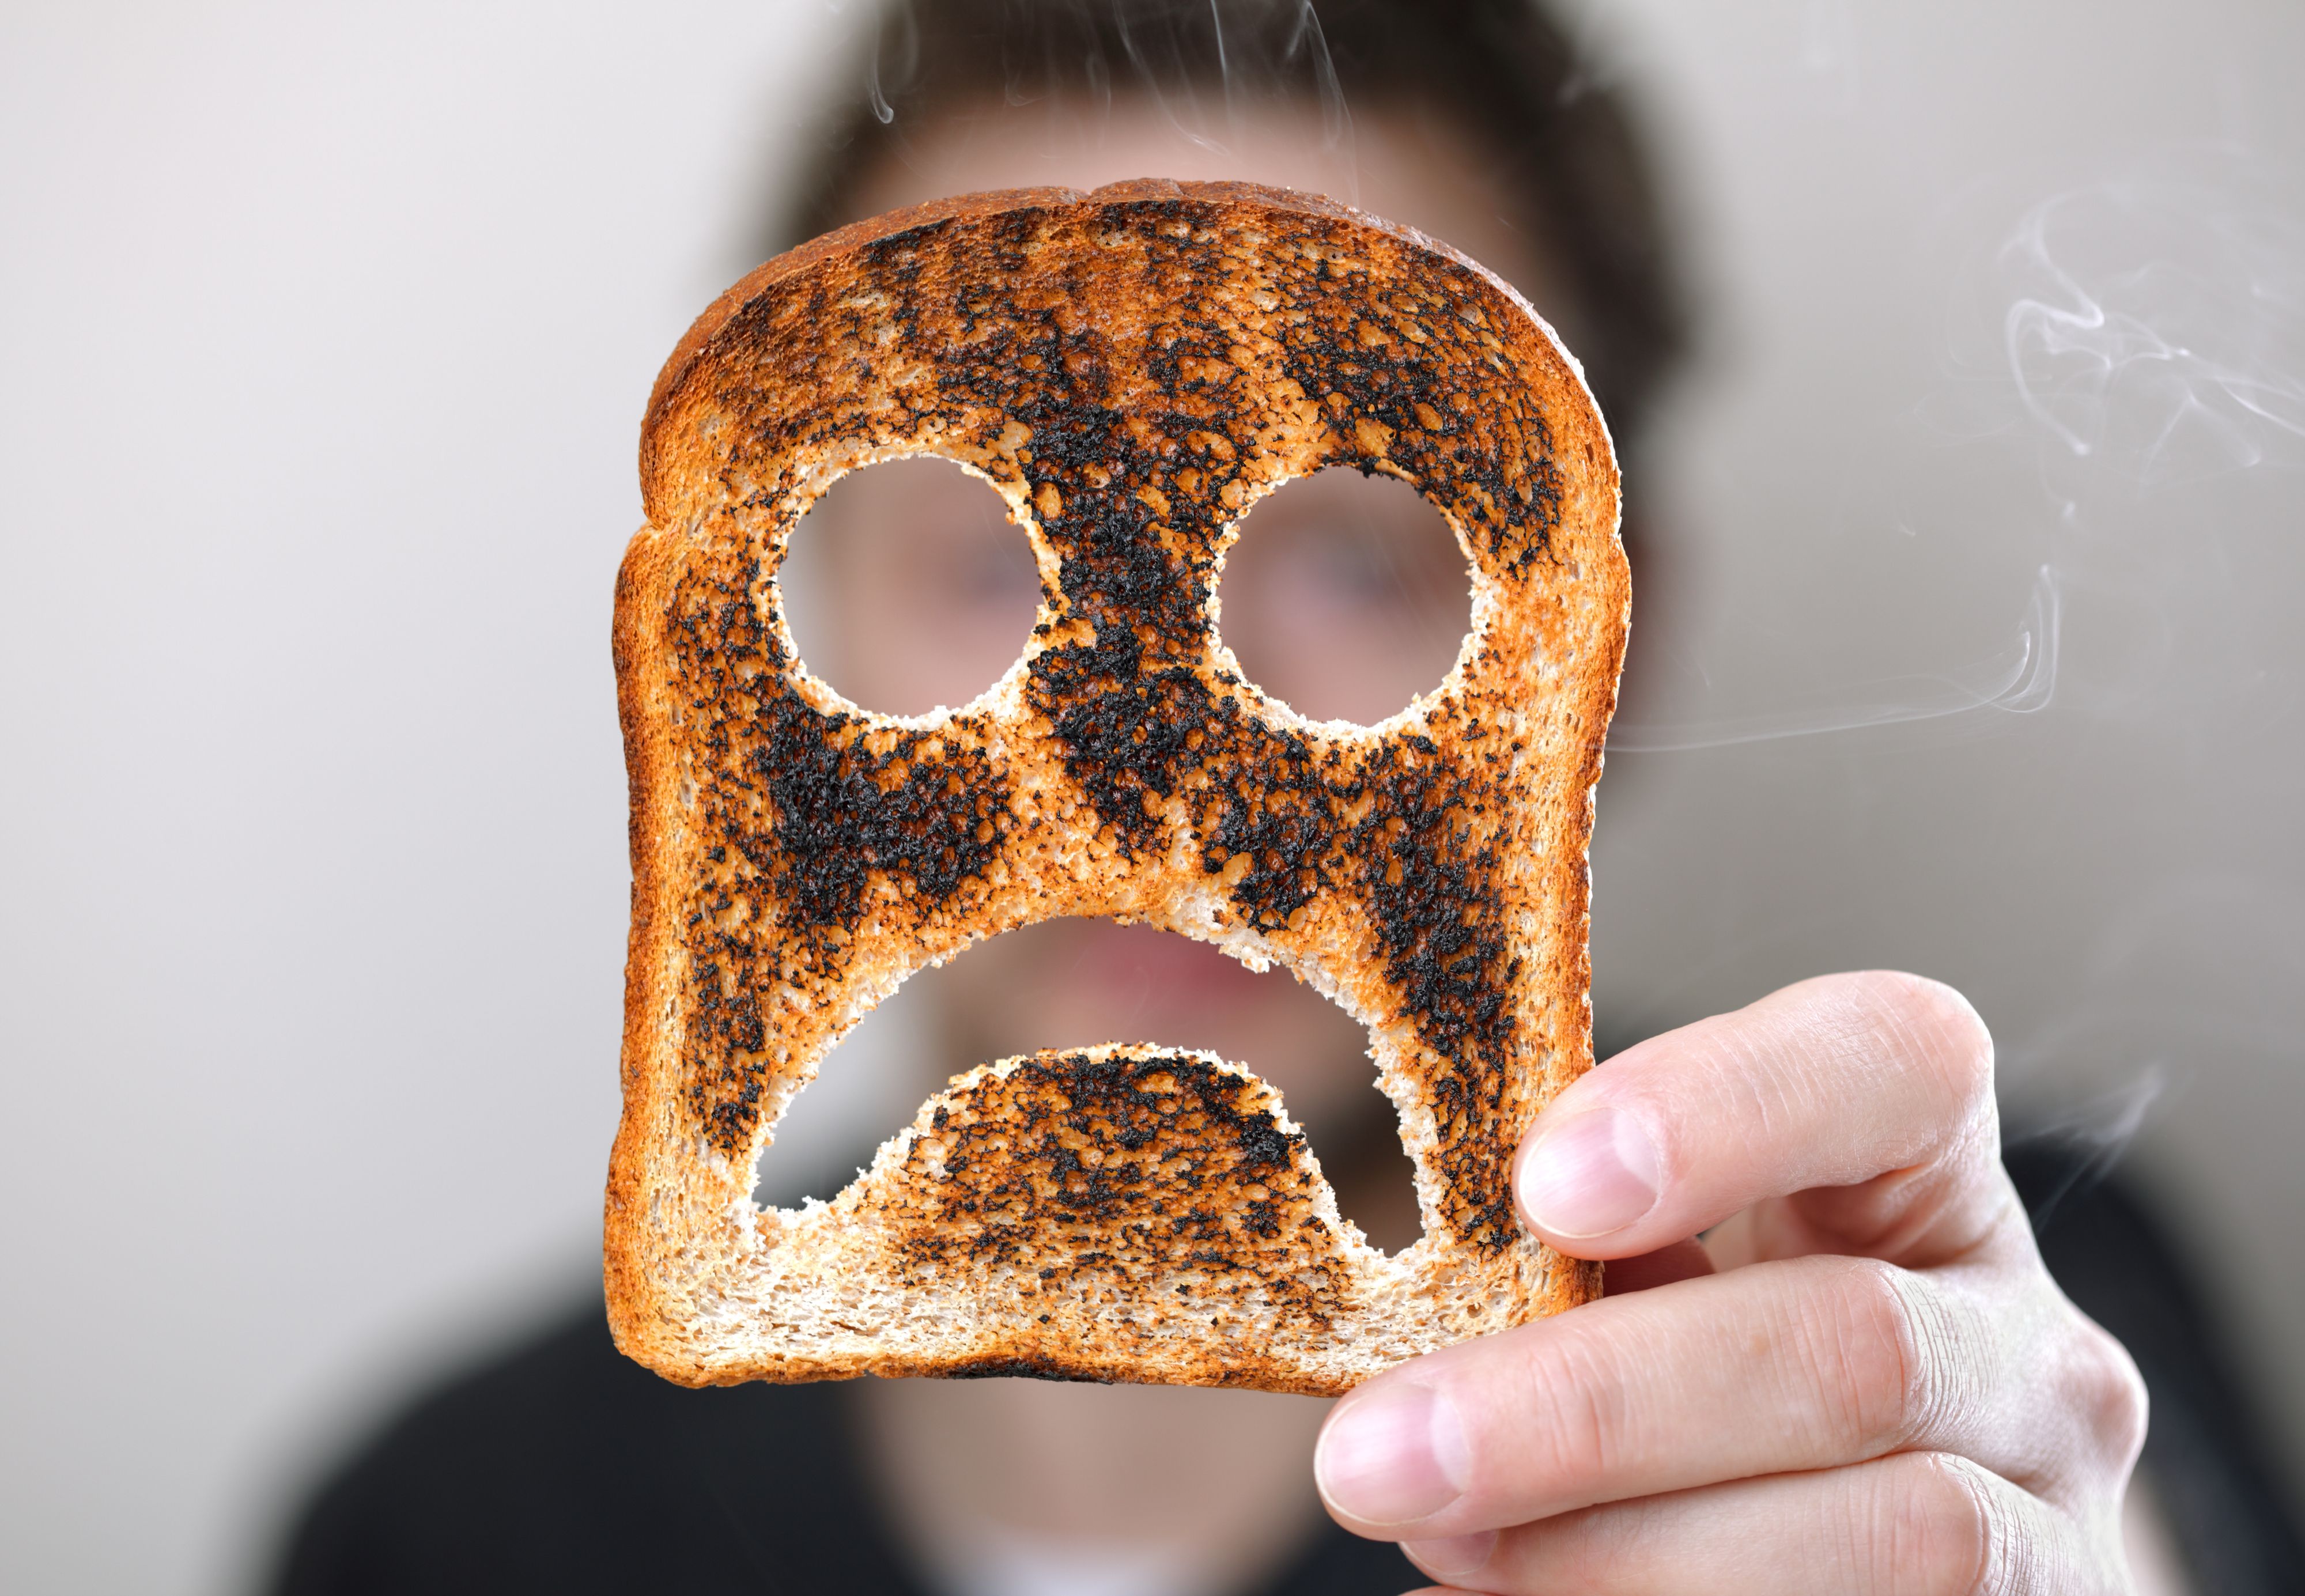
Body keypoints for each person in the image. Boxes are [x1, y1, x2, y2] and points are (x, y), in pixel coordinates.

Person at [268, 3, 2302, 1593]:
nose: (1144, 761)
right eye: (987, 555)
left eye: (1349, 554)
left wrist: (2063, 1560)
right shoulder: (450, 1527)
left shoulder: (1945, 1295)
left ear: (1599, 653)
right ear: (771, 627)